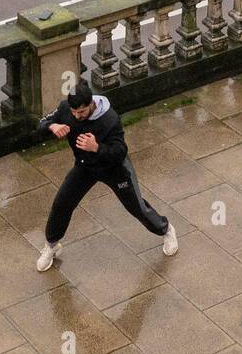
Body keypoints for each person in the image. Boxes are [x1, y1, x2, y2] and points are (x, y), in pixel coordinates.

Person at [35, 80, 178, 270]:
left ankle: (166, 229)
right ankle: (51, 245)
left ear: (92, 104)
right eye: (74, 112)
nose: (77, 116)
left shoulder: (109, 119)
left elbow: (120, 151)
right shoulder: (65, 109)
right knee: (62, 203)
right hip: (85, 167)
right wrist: (52, 127)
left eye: (82, 112)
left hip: (115, 169)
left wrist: (96, 148)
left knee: (137, 208)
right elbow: (42, 123)